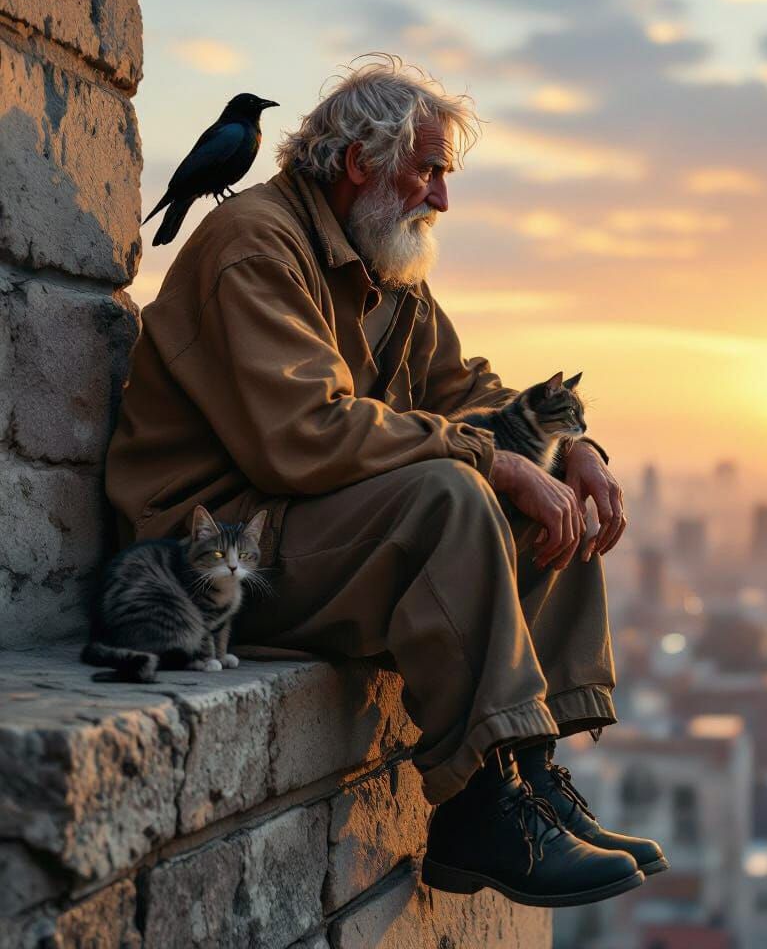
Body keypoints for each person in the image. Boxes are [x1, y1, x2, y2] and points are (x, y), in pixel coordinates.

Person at [105, 54, 666, 907]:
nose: (442, 198)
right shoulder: (255, 245)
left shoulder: (378, 260)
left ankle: (529, 769)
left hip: (304, 526)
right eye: (429, 171)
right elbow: (301, 437)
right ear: (360, 162)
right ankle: (479, 808)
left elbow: (462, 391)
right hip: (212, 560)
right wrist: (497, 462)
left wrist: (569, 443)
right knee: (454, 493)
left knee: (547, 486)